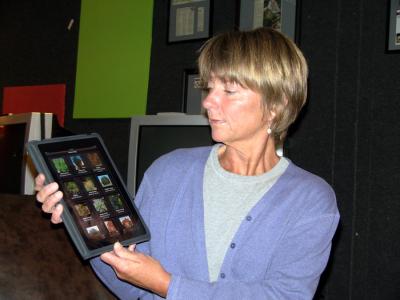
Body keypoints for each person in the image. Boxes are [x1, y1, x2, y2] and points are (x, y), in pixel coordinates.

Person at [36, 27, 340, 299]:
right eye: (209, 88)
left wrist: (168, 285)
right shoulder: (167, 171)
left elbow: (286, 295)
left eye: (229, 91)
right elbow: (131, 287)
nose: (208, 102)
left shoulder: (310, 199)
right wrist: (83, 222)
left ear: (277, 104)